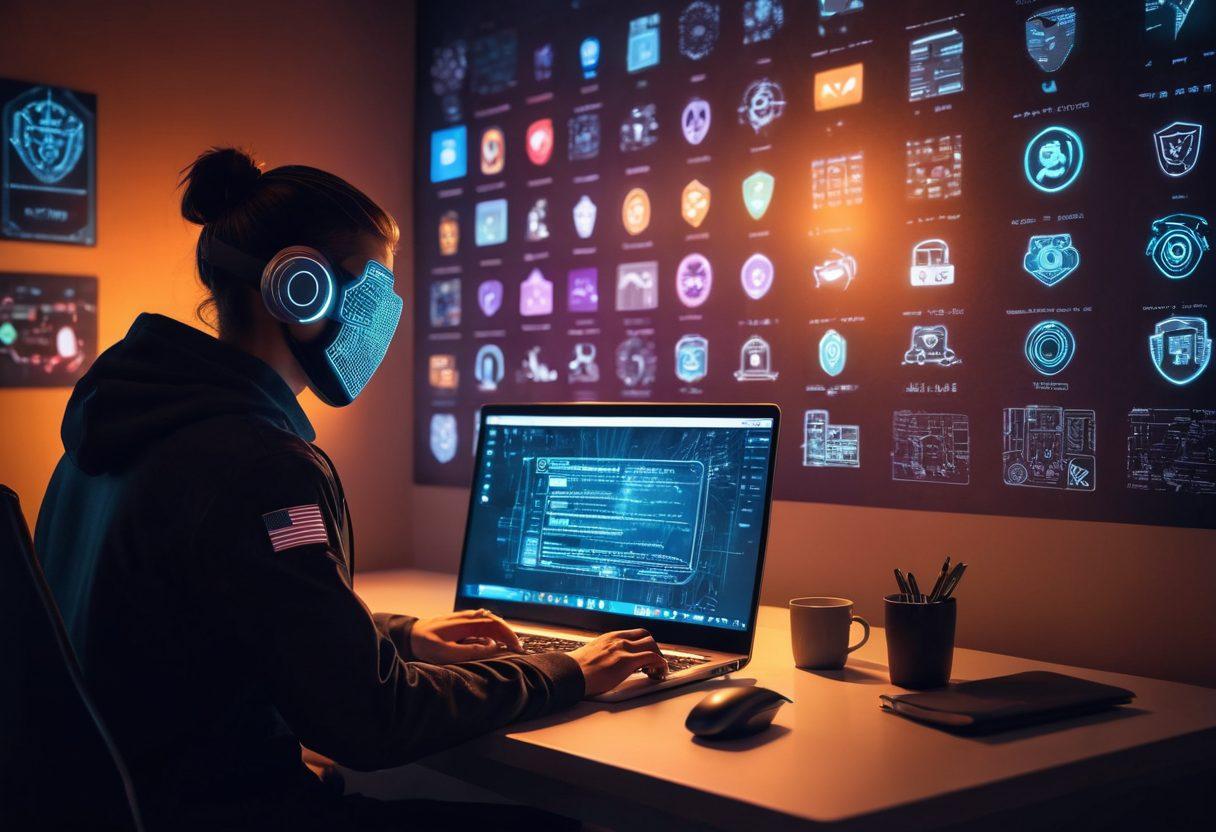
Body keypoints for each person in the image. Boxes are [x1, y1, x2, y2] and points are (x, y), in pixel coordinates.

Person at [35, 147, 667, 831]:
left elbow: (221, 613)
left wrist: (398, 636)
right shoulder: (258, 463)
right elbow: (371, 721)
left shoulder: (118, 429)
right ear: (298, 287)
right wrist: (568, 672)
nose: (381, 316)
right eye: (370, 290)